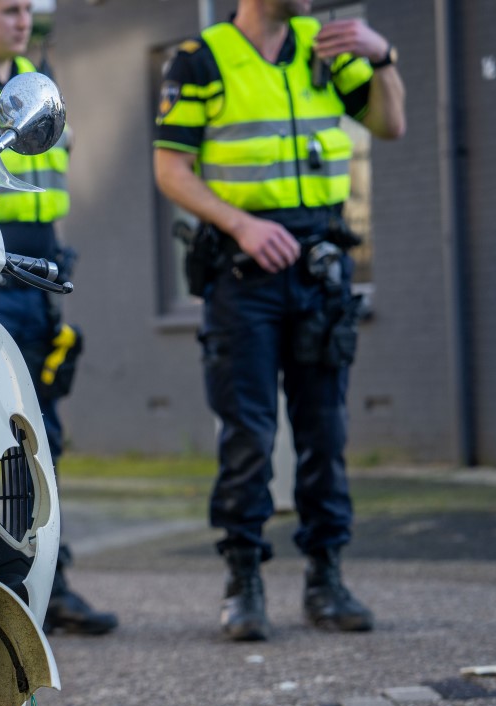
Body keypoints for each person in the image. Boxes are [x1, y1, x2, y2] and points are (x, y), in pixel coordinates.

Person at [152, 0, 405, 642]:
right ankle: (244, 582)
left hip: (320, 269)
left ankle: (326, 578)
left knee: (325, 431)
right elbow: (170, 168)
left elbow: (390, 122)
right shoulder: (199, 60)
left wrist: (383, 57)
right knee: (249, 436)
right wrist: (241, 223)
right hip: (244, 274)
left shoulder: (328, 48)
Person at [0, 0, 118, 636]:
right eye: (10, 8)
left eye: (29, 9)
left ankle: (47, 586)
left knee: (40, 440)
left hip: (35, 279)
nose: (23, 19)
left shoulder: (35, 82)